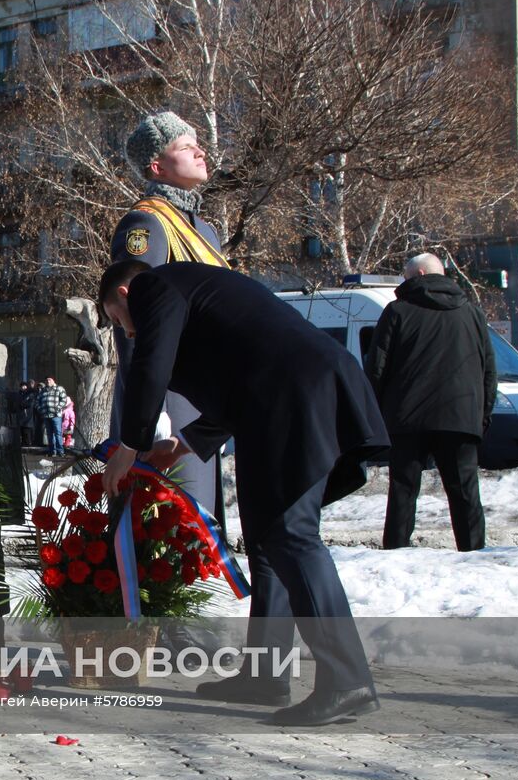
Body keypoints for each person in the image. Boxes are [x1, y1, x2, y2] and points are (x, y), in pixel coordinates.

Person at [99, 259, 389, 726]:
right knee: (268, 539)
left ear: (127, 294)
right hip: (284, 396)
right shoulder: (194, 295)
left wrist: (129, 445)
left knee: (292, 537)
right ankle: (265, 674)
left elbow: (152, 366)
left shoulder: (155, 286)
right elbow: (242, 371)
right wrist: (182, 444)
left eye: (118, 321)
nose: (127, 334)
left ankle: (346, 679)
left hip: (293, 396)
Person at [112, 111, 254, 692]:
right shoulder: (148, 222)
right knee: (176, 508)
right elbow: (130, 305)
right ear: (155, 163)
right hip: (172, 394)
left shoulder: (205, 228)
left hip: (205, 392)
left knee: (201, 511)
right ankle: (171, 632)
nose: (201, 152)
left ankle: (189, 624)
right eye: (186, 145)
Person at [365, 253, 497, 552]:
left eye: (406, 276)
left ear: (420, 274)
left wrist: (374, 413)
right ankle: (474, 552)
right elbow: (488, 370)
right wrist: (482, 416)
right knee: (465, 492)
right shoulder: (472, 313)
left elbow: (377, 368)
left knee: (403, 490)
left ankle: (396, 552)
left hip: (407, 419)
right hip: (461, 417)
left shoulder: (397, 312)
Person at [37, 376, 70, 455]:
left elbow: (64, 400)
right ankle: (52, 451)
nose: (48, 381)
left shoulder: (59, 389)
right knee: (49, 434)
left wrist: (58, 408)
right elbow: (37, 401)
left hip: (56, 416)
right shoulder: (43, 391)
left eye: (49, 380)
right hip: (46, 416)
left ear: (53, 380)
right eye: (47, 380)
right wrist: (40, 409)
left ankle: (60, 451)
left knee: (58, 433)